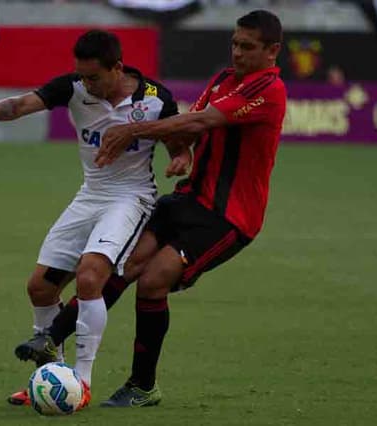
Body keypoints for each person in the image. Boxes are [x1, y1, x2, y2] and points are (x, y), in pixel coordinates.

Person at [0, 30, 189, 407]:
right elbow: (20, 105)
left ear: (117, 68)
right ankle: (52, 377)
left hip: (131, 199)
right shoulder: (72, 88)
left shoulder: (154, 98)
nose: (86, 84)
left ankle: (80, 384)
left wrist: (182, 160)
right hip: (90, 197)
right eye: (81, 76)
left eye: (94, 77)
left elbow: (178, 145)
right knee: (39, 288)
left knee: (89, 277)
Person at [94, 9, 287, 406]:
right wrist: (182, 153)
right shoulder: (222, 79)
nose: (236, 52)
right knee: (121, 266)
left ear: (272, 51)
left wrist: (133, 128)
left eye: (247, 47)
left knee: (151, 281)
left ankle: (142, 386)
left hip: (228, 217)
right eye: (234, 43)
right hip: (189, 198)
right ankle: (55, 346)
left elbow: (202, 121)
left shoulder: (268, 88)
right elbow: (190, 124)